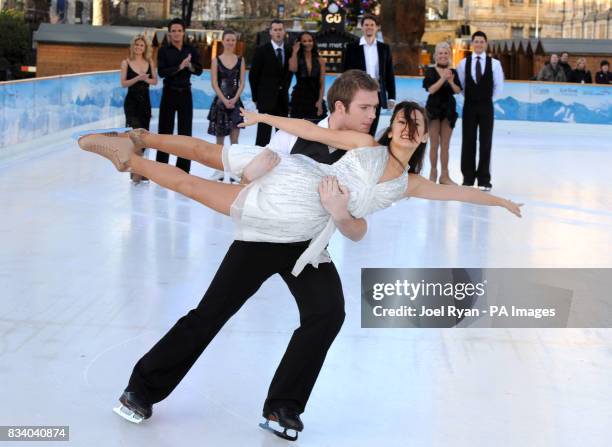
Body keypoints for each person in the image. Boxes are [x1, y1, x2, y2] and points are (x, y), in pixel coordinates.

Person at [106, 70, 380, 442]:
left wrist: (341, 212)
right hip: (261, 238)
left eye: (375, 108)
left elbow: (358, 226)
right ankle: (141, 390)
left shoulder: (364, 155)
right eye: (365, 108)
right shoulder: (294, 134)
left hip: (308, 247)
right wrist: (250, 174)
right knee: (211, 314)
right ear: (339, 107)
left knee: (328, 313)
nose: (372, 116)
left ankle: (283, 406)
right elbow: (249, 177)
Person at [456, 31, 504, 191]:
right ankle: (468, 178)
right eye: (476, 41)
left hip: (486, 107)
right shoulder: (463, 63)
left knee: (485, 142)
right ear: (472, 44)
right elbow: (462, 85)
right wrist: (472, 96)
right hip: (469, 106)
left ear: (486, 44)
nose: (478, 44)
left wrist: (486, 99)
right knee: (468, 142)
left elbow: (499, 86)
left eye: (481, 41)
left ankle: (484, 179)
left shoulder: (495, 64)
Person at [156, 18, 203, 173]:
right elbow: (162, 73)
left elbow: (199, 70)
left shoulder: (191, 50)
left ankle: (183, 170)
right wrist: (179, 66)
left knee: (185, 133)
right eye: (173, 31)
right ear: (169, 33)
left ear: (183, 32)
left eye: (179, 30)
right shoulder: (163, 50)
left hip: (185, 94)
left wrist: (189, 65)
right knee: (164, 132)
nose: (176, 33)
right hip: (169, 93)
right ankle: (161, 169)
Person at [342, 13, 396, 136]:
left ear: (377, 27)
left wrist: (391, 96)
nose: (369, 27)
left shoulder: (384, 48)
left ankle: (367, 152)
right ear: (362, 27)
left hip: (377, 94)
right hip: (357, 93)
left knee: (371, 128)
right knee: (357, 127)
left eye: (372, 25)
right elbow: (346, 74)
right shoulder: (351, 48)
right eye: (366, 25)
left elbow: (389, 73)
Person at [207, 29, 246, 183]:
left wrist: (235, 99)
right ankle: (218, 169)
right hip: (220, 103)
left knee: (234, 141)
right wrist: (224, 99)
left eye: (233, 40)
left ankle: (235, 171)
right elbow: (214, 83)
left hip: (235, 103)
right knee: (220, 141)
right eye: (228, 39)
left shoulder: (240, 60)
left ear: (235, 42)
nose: (230, 42)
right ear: (223, 41)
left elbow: (242, 82)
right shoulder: (216, 60)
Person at [120, 34, 158, 184]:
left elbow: (154, 81)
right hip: (131, 104)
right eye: (136, 45)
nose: (138, 48)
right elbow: (123, 83)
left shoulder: (150, 62)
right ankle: (138, 173)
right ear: (133, 46)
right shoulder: (126, 62)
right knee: (134, 138)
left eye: (141, 45)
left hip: (145, 105)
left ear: (145, 47)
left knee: (143, 138)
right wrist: (138, 78)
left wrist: (146, 79)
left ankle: (138, 169)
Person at [423, 41, 462, 185]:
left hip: (448, 110)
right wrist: (443, 78)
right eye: (440, 53)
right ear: (436, 56)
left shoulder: (454, 72)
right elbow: (431, 89)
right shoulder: (430, 71)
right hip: (433, 109)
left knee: (445, 145)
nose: (443, 55)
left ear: (449, 55)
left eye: (446, 53)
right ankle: (433, 173)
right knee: (434, 144)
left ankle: (444, 176)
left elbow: (457, 91)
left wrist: (451, 81)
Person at [248, 19, 292, 146]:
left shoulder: (289, 51)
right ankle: (259, 163)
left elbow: (289, 74)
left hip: (282, 100)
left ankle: (283, 163)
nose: (278, 32)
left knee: (283, 135)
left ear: (284, 32)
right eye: (275, 30)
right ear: (270, 32)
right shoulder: (262, 51)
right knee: (263, 136)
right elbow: (253, 76)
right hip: (265, 100)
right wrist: (256, 98)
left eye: (280, 29)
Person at [288, 31, 327, 121]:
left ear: (313, 42)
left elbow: (322, 83)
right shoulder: (296, 58)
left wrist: (320, 101)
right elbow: (292, 69)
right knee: (297, 129)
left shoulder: (320, 60)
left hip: (315, 98)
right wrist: (294, 52)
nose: (308, 43)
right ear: (300, 43)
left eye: (310, 40)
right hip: (299, 98)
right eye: (304, 41)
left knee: (317, 128)